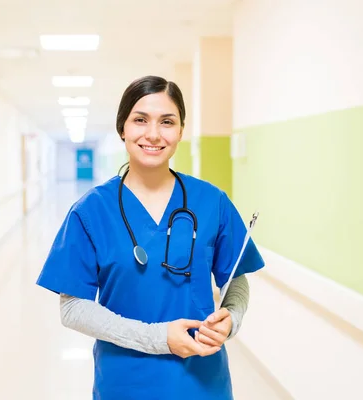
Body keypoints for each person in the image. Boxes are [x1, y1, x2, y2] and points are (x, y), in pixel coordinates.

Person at [36, 75, 265, 399]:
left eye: (167, 122)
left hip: (201, 382)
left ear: (181, 131)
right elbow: (73, 308)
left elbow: (236, 280)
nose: (153, 134)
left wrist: (232, 319)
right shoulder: (91, 211)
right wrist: (158, 337)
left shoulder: (212, 202)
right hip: (126, 382)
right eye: (140, 120)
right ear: (122, 129)